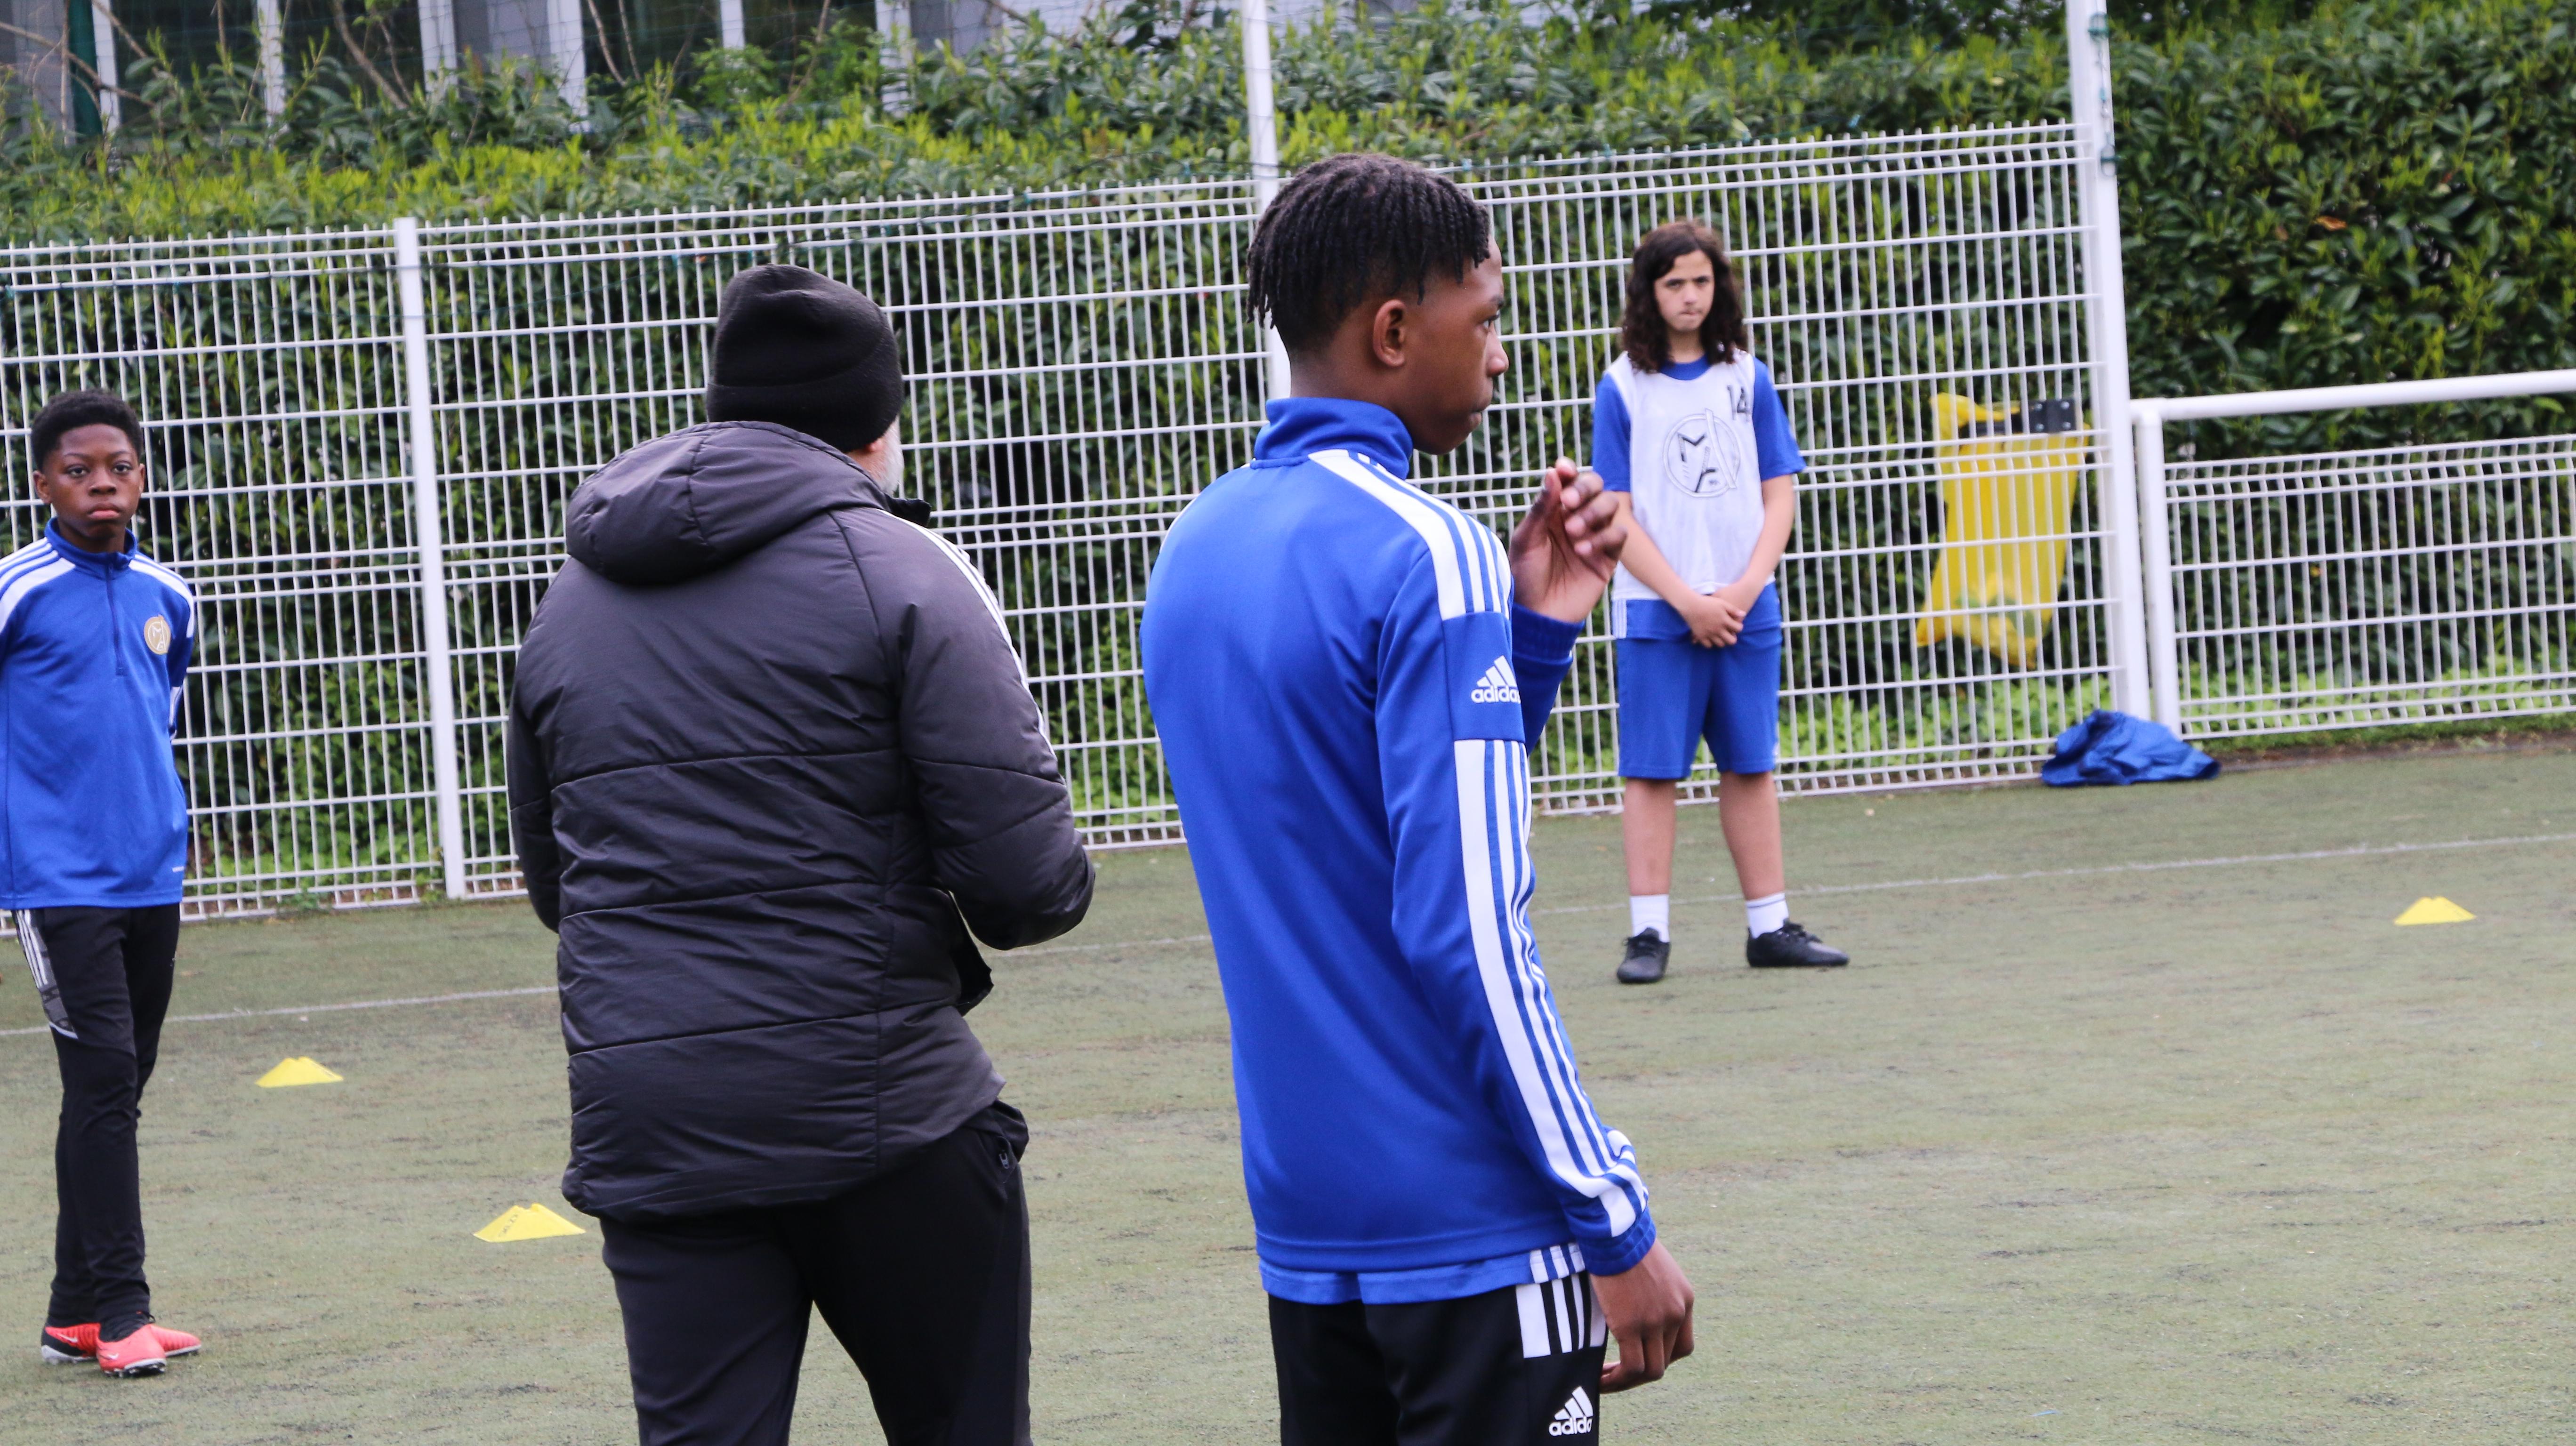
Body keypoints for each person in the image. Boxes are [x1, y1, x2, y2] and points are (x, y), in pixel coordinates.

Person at [1142, 153, 1694, 1446]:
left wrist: (1534, 636)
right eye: (1485, 317)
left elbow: (1353, 827)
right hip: (1474, 1229)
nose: (1499, 353)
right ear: (1395, 332)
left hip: (1308, 1219)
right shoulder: (1425, 545)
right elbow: (1470, 925)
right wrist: (1608, 1216)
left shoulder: (1198, 546)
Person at [507, 264, 1095, 1446]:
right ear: (878, 428)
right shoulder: (905, 573)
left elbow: (556, 885)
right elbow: (1031, 889)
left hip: (657, 1121)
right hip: (887, 1109)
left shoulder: (570, 598)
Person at [6, 390, 204, 1378]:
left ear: (141, 477)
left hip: (149, 874)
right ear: (43, 484)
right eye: (79, 470)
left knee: (117, 1091)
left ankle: (70, 1314)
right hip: (56, 880)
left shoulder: (172, 597)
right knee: (102, 1083)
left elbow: (156, 723)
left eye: (118, 467)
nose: (102, 485)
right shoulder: (18, 590)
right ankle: (126, 1312)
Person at [1593, 220, 1849, 985]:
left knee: (1750, 766)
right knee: (1651, 773)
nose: (1690, 296)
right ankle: (1648, 934)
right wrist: (1684, 599)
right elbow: (1616, 513)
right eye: (1674, 284)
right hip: (1654, 613)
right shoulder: (1622, 386)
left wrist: (1740, 590)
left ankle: (1770, 927)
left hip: (1746, 610)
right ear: (1649, 292)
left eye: (1702, 281)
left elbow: (1780, 493)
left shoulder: (1748, 377)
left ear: (1719, 286)